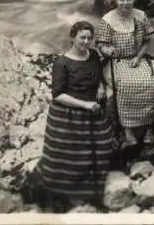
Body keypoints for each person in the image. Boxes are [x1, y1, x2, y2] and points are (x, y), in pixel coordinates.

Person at [32, 21, 113, 211]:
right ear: (72, 38)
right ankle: (58, 197)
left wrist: (101, 86)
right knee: (66, 158)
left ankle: (93, 196)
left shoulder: (93, 55)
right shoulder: (62, 63)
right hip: (68, 115)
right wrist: (85, 104)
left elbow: (98, 73)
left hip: (93, 112)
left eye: (89, 38)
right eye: (82, 37)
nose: (86, 41)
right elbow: (58, 95)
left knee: (100, 150)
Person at [95, 0, 154, 158]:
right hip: (116, 61)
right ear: (116, 0)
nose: (125, 3)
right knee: (125, 85)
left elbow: (147, 40)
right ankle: (128, 129)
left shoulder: (141, 16)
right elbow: (101, 45)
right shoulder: (107, 20)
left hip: (136, 59)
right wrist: (108, 50)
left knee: (149, 83)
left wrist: (138, 57)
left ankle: (147, 128)